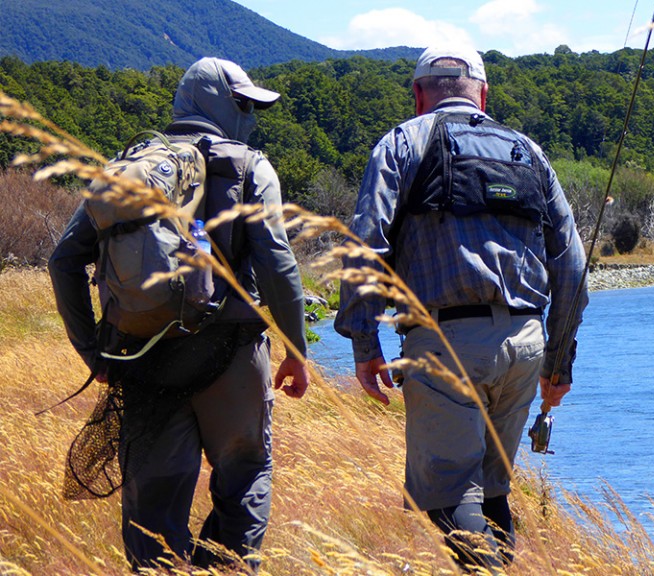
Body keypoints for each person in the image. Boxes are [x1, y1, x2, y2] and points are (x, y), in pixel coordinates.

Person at [48, 57, 310, 572]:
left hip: (144, 359)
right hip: (233, 356)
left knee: (154, 511)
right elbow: (279, 265)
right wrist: (297, 352)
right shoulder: (250, 166)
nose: (251, 118)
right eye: (243, 105)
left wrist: (91, 353)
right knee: (246, 475)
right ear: (214, 102)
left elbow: (64, 262)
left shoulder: (128, 168)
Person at [335, 44, 587, 572]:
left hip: (445, 343)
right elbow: (572, 264)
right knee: (491, 492)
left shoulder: (403, 141)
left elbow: (365, 245)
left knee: (450, 499)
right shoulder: (529, 152)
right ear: (484, 94)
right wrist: (557, 364)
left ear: (418, 94)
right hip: (524, 345)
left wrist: (365, 343)